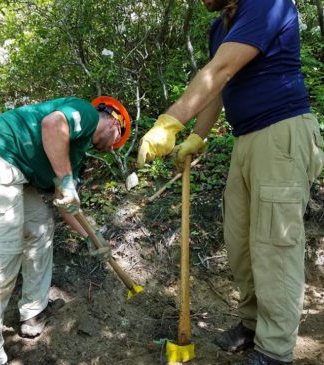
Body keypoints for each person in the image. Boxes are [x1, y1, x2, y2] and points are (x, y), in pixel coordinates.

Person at [137, 0, 324, 364]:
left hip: (282, 133)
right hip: (246, 139)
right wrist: (198, 136)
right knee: (240, 242)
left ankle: (275, 350)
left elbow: (221, 70)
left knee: (275, 245)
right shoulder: (219, 28)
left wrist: (171, 121)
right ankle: (254, 324)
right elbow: (218, 86)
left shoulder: (267, 4)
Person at [0, 95, 131, 364]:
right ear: (114, 122)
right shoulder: (85, 113)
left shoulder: (74, 151)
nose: (111, 149)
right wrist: (65, 181)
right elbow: (53, 124)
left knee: (40, 228)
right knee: (0, 261)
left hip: (12, 170)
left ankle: (33, 311)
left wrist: (91, 238)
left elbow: (66, 205)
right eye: (117, 141)